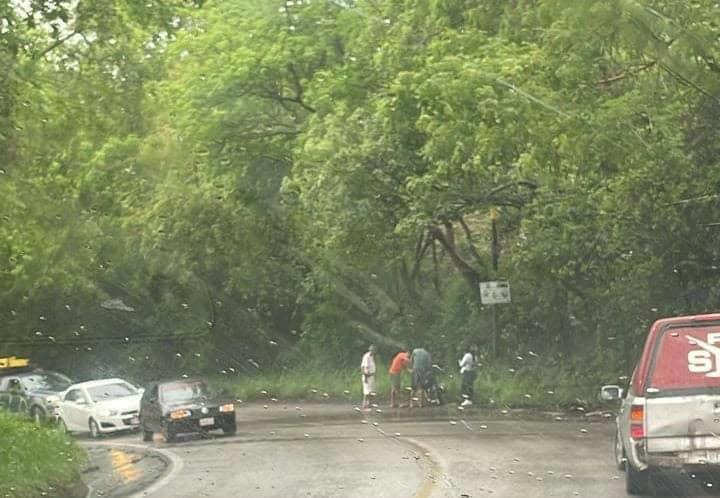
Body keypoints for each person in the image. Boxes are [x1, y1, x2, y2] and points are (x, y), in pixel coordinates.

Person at [360, 344, 377, 410]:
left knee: (371, 391)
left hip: (371, 376)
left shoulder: (372, 356)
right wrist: (366, 377)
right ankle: (364, 404)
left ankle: (369, 404)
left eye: (375, 350)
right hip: (367, 376)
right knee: (366, 391)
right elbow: (363, 367)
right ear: (370, 350)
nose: (374, 352)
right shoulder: (367, 356)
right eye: (373, 350)